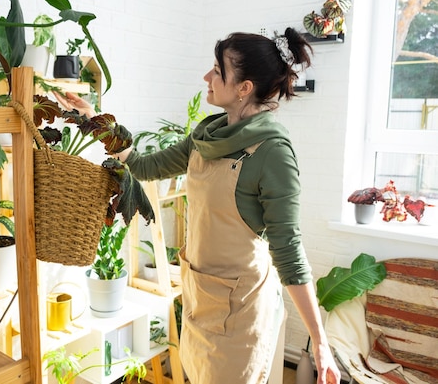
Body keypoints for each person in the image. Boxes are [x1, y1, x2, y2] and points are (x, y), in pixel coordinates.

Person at [54, 27, 341, 384]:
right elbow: (144, 165)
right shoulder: (207, 136)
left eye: (218, 71)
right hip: (201, 297)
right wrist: (94, 118)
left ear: (244, 88)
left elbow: (290, 253)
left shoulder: (273, 154)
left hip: (241, 313)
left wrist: (320, 342)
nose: (207, 77)